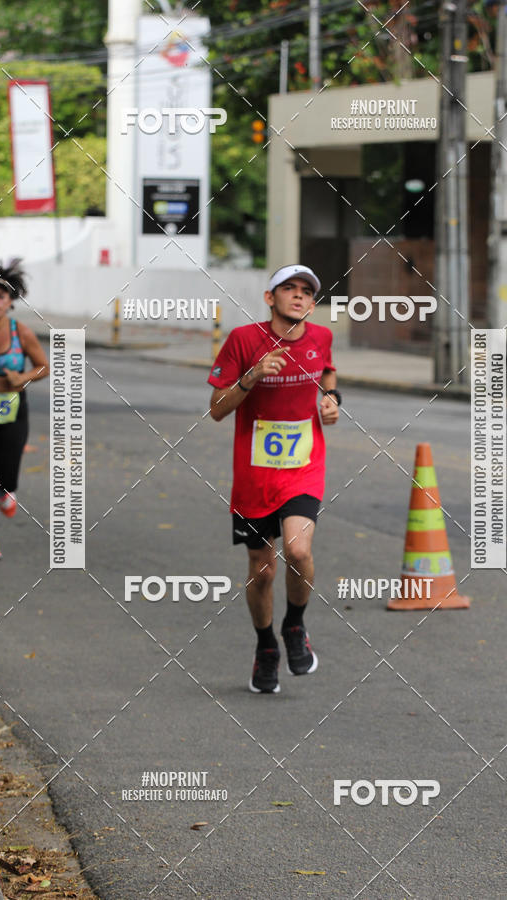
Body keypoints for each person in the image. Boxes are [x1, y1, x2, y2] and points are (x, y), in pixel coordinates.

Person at [208, 264, 341, 694]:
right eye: (289, 289)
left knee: (299, 551)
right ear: (270, 298)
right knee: (261, 570)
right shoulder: (243, 340)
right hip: (254, 475)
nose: (298, 296)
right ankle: (266, 647)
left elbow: (327, 373)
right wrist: (251, 376)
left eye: (306, 291)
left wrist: (332, 399)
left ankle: (294, 627)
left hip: (304, 467)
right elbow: (217, 407)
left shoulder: (321, 337)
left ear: (313, 303)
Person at [0, 260, 49, 560]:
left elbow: (43, 366)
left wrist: (22, 378)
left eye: (1, 297)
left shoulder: (21, 333)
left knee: (7, 477)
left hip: (13, 411)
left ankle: (4, 491)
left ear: (10, 302)